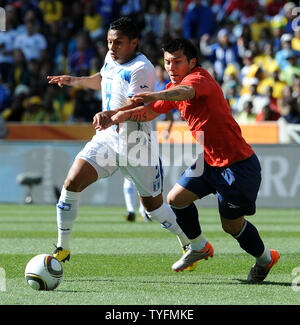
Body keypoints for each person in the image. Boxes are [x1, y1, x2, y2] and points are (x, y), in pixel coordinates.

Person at [95, 38, 280, 283]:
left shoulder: (198, 79)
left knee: (232, 227)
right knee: (175, 199)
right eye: (167, 62)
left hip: (238, 166)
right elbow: (150, 111)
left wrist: (154, 93)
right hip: (209, 162)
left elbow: (184, 92)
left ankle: (266, 259)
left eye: (177, 61)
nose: (171, 67)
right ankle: (198, 246)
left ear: (192, 62)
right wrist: (114, 116)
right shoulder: (174, 87)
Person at [47, 17, 190, 264]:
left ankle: (190, 243)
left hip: (135, 143)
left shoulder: (141, 68)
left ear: (134, 43)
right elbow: (103, 79)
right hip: (107, 139)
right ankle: (63, 247)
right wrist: (75, 80)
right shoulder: (111, 59)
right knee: (71, 184)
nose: (112, 47)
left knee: (153, 209)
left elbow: (138, 103)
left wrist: (109, 115)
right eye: (109, 41)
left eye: (118, 43)